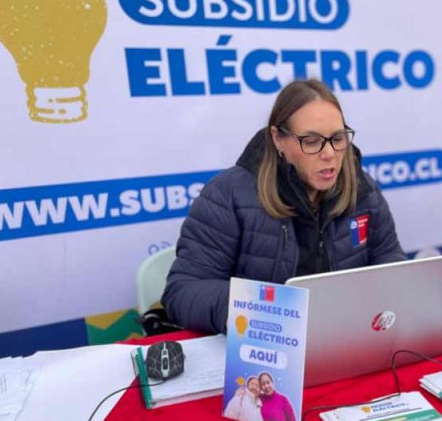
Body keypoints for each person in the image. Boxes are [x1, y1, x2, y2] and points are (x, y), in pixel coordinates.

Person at [162, 79, 405, 334]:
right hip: (262, 345)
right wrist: (256, 310)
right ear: (278, 139)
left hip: (345, 337)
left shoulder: (363, 189)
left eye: (338, 138)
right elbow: (183, 291)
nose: (329, 154)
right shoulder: (228, 194)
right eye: (311, 141)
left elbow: (390, 260)